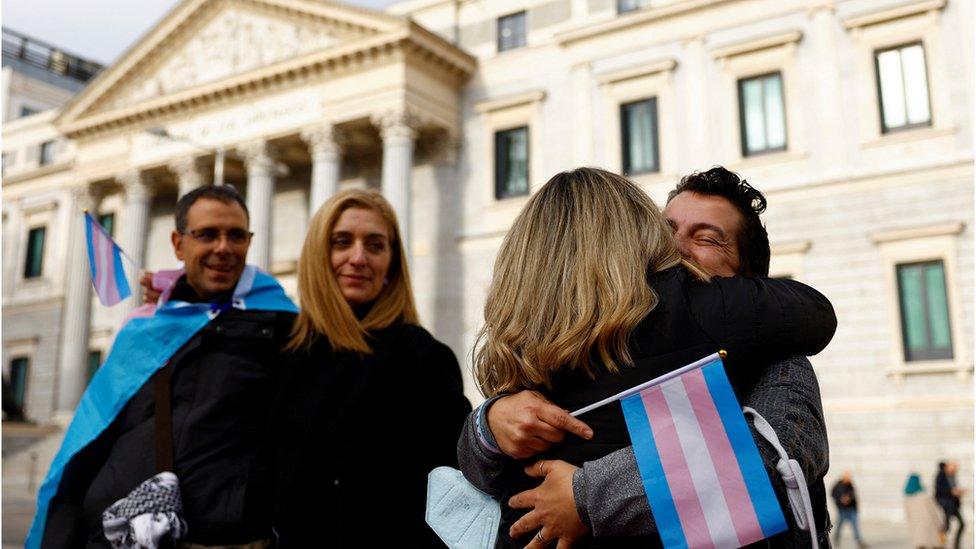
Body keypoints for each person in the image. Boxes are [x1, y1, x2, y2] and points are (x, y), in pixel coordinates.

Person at [459, 167, 836, 548]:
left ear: (749, 283)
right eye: (664, 231)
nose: (676, 250)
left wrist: (585, 495)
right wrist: (487, 426)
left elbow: (771, 462)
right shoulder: (567, 334)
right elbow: (479, 471)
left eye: (706, 238)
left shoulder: (754, 344)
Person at [31, 185, 299, 547]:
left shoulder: (284, 329)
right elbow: (90, 443)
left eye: (236, 235)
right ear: (178, 244)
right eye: (207, 234)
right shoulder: (144, 329)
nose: (223, 248)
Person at [271, 188, 471, 547]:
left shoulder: (423, 357)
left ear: (392, 265)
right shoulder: (286, 351)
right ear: (319, 253)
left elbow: (451, 485)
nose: (358, 258)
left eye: (375, 245)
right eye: (342, 242)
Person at [904, 473, 945, 549]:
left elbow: (908, 516)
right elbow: (935, 512)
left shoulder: (907, 499)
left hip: (916, 529)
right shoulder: (925, 497)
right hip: (930, 527)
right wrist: (940, 523)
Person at [831, 471, 866, 547]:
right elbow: (833, 495)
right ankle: (836, 539)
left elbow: (853, 494)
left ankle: (859, 541)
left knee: (855, 526)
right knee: (839, 526)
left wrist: (849, 498)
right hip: (842, 509)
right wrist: (841, 499)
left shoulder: (850, 485)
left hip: (851, 509)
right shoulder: (837, 486)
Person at [936, 461, 965, 549]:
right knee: (947, 526)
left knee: (961, 524)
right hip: (946, 504)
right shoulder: (941, 477)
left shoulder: (952, 476)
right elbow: (941, 491)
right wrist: (953, 492)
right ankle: (941, 544)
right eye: (953, 467)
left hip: (953, 505)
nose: (955, 469)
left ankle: (956, 545)